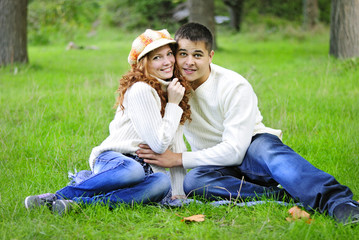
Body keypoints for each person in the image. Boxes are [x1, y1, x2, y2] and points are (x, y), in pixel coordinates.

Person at [137, 22, 359, 225]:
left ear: (210, 56)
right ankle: (283, 196)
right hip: (217, 163)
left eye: (197, 55)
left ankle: (339, 202)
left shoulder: (234, 86)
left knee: (272, 154)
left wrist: (177, 160)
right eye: (182, 54)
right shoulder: (172, 89)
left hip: (252, 149)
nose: (189, 62)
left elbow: (235, 150)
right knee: (195, 181)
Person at [24, 29, 191, 215]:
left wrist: (178, 192)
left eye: (169, 54)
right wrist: (173, 104)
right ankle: (56, 197)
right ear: (143, 64)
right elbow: (159, 145)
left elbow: (176, 145)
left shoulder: (174, 90)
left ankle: (81, 204)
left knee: (162, 182)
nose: (167, 61)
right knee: (133, 170)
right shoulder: (140, 90)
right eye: (157, 57)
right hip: (115, 160)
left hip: (146, 171)